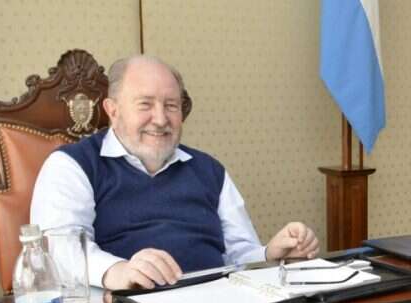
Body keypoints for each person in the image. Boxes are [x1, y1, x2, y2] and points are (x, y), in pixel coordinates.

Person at [31, 54, 319, 290]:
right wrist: (118, 270)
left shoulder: (209, 170)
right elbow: (57, 250)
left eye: (171, 106)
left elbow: (238, 254)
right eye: (145, 104)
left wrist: (271, 255)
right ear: (113, 110)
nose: (160, 119)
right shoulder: (72, 165)